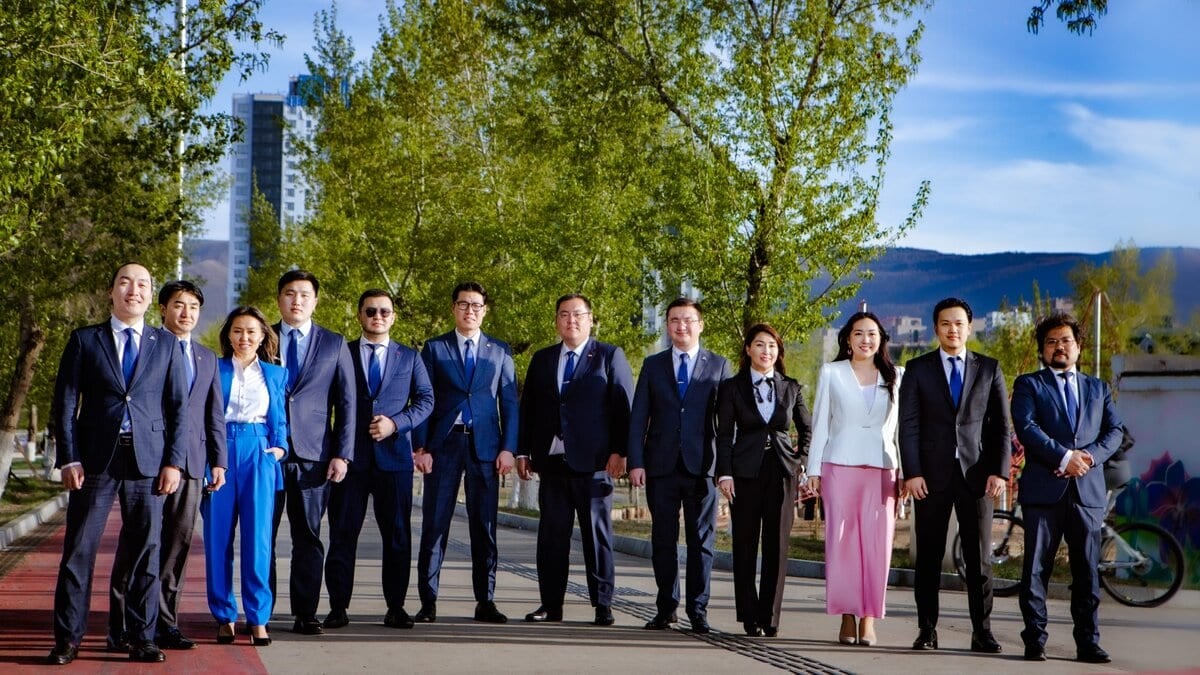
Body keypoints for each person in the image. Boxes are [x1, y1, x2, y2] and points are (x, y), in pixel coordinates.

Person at [48, 262, 189, 665]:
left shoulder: (166, 345)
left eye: (143, 284)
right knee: (79, 550)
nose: (134, 290)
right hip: (94, 461)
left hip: (148, 461)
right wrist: (68, 457)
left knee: (147, 549)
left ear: (150, 295)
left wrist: (174, 463)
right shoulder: (85, 341)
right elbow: (65, 403)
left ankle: (142, 637)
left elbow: (178, 409)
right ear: (111, 292)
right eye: (125, 282)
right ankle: (68, 638)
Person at [108, 280, 228, 652]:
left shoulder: (207, 357)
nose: (186, 313)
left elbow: (214, 414)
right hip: (148, 460)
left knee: (176, 546)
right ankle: (121, 625)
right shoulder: (148, 346)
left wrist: (218, 462)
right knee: (137, 544)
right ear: (162, 308)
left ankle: (165, 624)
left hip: (191, 464)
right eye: (179, 305)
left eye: (193, 306)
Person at [898, 297, 1011, 653]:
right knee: (929, 557)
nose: (952, 329)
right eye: (946, 323)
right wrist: (912, 472)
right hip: (930, 479)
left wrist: (999, 471)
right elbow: (909, 425)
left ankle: (983, 631)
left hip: (976, 477)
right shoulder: (918, 369)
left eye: (959, 323)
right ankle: (927, 630)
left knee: (979, 559)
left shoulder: (989, 369)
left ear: (969, 327)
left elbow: (1001, 428)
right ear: (936, 328)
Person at [1011, 313, 1124, 664]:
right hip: (1044, 491)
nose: (1059, 347)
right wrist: (1063, 457)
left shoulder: (1098, 388)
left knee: (1087, 571)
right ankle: (1035, 640)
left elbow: (1115, 432)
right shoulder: (1030, 385)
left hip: (1087, 493)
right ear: (1042, 350)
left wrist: (1086, 458)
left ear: (1078, 346)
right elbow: (1026, 427)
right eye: (1051, 342)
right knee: (1035, 570)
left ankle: (1088, 642)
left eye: (1066, 341)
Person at [516, 294, 634, 626]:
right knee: (551, 537)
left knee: (596, 536)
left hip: (595, 464)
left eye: (578, 314)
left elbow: (624, 409)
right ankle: (550, 604)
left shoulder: (609, 356)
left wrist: (620, 452)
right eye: (564, 315)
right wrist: (523, 451)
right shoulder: (542, 359)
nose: (571, 320)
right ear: (556, 320)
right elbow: (530, 411)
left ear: (590, 319)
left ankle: (603, 603)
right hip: (551, 463)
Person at [324, 290, 434, 630]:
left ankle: (396, 607)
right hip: (350, 460)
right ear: (359, 315)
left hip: (395, 460)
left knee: (398, 536)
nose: (378, 316)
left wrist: (396, 424)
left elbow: (426, 399)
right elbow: (325, 402)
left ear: (393, 317)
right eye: (370, 311)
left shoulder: (409, 357)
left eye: (384, 311)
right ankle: (338, 607)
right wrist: (334, 450)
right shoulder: (341, 353)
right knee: (343, 535)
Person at [414, 282, 519, 624]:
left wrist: (509, 449)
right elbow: (422, 400)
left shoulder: (500, 351)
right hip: (443, 446)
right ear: (453, 308)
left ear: (485, 310)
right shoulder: (434, 348)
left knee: (484, 527)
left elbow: (510, 405)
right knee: (435, 525)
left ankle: (485, 600)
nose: (469, 310)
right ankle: (428, 601)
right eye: (463, 304)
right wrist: (422, 446)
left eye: (476, 305)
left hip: (486, 447)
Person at [627, 298, 731, 634]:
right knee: (663, 539)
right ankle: (666, 607)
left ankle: (698, 610)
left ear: (701, 324)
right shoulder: (653, 365)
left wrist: (725, 468)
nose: (681, 326)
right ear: (667, 325)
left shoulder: (718, 365)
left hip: (703, 467)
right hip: (660, 465)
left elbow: (726, 424)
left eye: (688, 320)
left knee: (702, 541)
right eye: (674, 320)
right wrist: (636, 462)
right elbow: (639, 417)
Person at [804, 312, 903, 646]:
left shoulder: (896, 376)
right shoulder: (832, 373)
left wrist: (905, 472)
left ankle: (870, 618)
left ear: (881, 339)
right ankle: (847, 616)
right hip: (839, 465)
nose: (865, 340)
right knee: (842, 544)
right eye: (858, 333)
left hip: (882, 468)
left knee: (878, 547)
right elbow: (820, 423)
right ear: (847, 339)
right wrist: (813, 470)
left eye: (872, 334)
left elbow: (902, 431)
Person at [271, 269, 356, 636]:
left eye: (305, 294)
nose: (297, 300)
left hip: (314, 456)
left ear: (315, 300)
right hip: (267, 453)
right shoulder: (263, 337)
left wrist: (342, 454)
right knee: (263, 536)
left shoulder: (334, 344)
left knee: (308, 536)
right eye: (290, 293)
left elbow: (348, 404)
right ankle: (262, 614)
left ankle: (305, 613)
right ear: (279, 300)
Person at [715, 323, 812, 637]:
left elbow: (808, 430)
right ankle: (748, 615)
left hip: (781, 471)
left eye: (772, 346)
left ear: (778, 351)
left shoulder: (792, 387)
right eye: (759, 344)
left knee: (777, 546)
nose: (766, 351)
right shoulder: (732, 387)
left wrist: (801, 462)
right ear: (748, 350)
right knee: (744, 545)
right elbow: (724, 434)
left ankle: (770, 616)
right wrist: (724, 473)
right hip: (744, 473)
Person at [204, 306, 289, 646]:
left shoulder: (275, 373)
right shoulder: (214, 368)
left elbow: (279, 419)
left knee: (258, 540)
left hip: (259, 451)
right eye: (238, 331)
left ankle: (258, 618)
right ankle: (224, 615)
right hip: (220, 450)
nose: (244, 338)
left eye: (252, 331)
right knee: (217, 538)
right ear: (228, 335)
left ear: (263, 336)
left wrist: (279, 449)